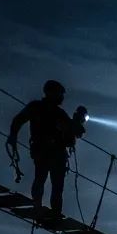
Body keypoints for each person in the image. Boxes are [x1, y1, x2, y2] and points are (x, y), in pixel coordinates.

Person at [6, 79, 87, 215]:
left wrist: (77, 122)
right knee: (50, 182)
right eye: (60, 93)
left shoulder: (45, 109)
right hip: (49, 152)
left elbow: (75, 134)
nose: (62, 97)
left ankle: (46, 208)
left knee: (47, 181)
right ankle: (49, 210)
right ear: (51, 93)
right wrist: (13, 136)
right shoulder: (42, 109)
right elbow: (18, 120)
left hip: (47, 151)